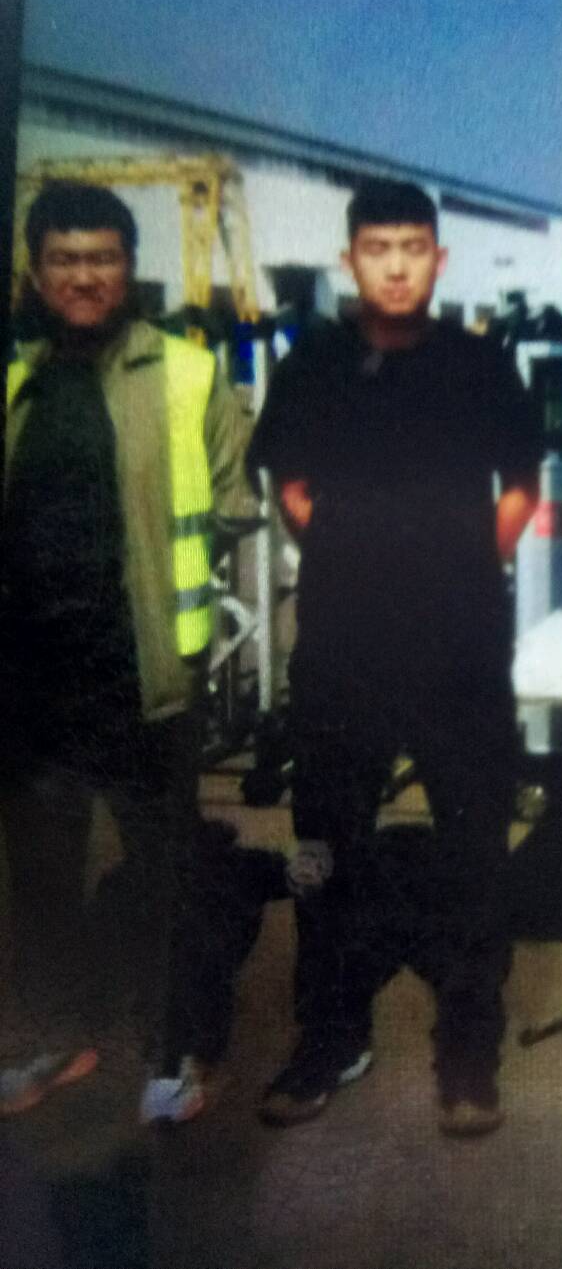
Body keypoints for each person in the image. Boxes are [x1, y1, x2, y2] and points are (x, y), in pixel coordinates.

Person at [247, 177, 542, 1134]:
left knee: (475, 846)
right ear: (350, 260)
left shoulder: (480, 362)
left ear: (439, 259)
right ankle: (329, 1035)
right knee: (324, 845)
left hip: (460, 646)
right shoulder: (313, 363)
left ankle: (470, 1049)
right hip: (344, 644)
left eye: (414, 247)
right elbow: (291, 483)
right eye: (378, 248)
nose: (398, 266)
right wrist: (349, 553)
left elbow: (522, 486)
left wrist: (464, 564)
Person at [0, 181, 253, 1125]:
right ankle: (56, 1036)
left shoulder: (188, 374)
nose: (84, 276)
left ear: (130, 268)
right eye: (64, 259)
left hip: (145, 680)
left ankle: (177, 1050)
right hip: (33, 681)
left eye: (102, 257)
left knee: (164, 878)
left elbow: (233, 503)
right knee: (40, 879)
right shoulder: (16, 381)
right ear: (36, 272)